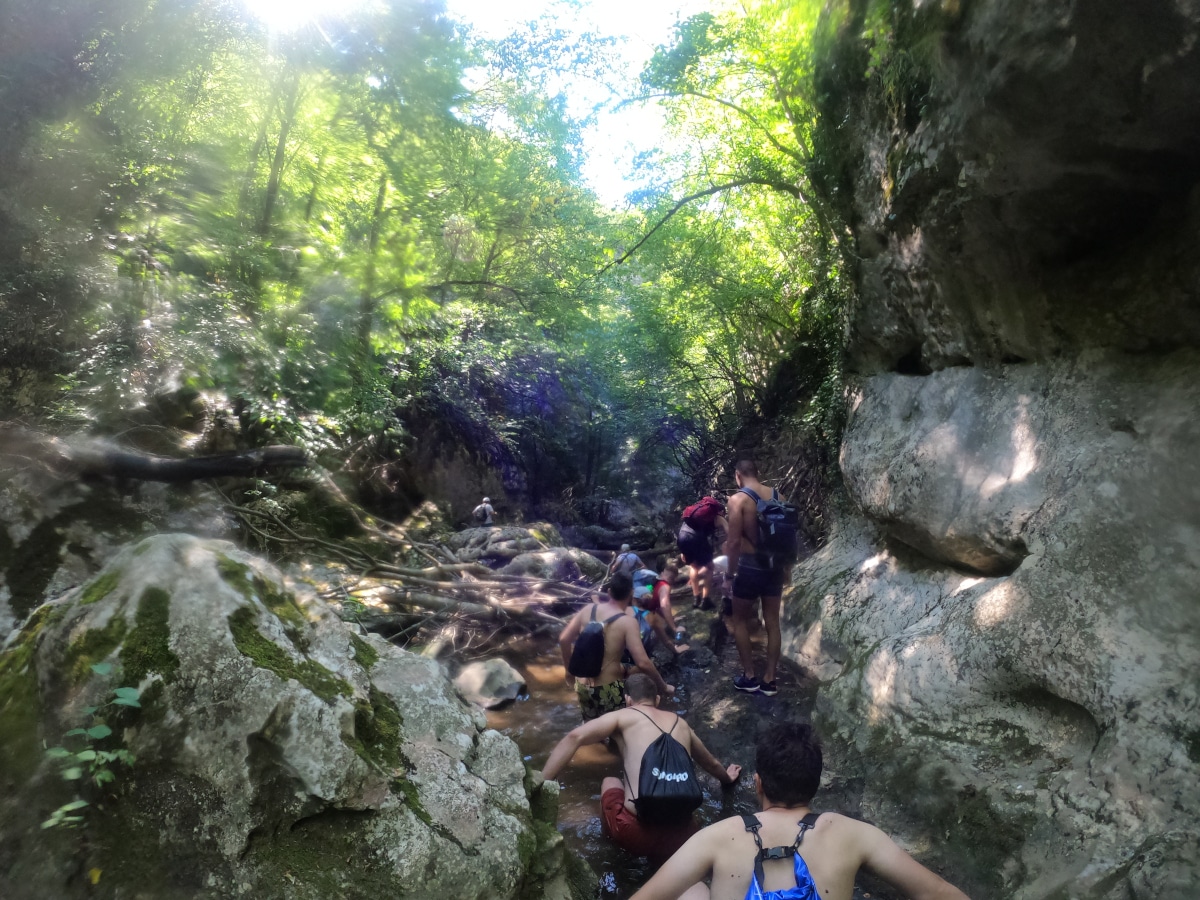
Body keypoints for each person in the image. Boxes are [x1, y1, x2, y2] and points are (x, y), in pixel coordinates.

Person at [631, 721, 971, 900]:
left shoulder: (717, 837)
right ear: (816, 784)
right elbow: (937, 892)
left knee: (693, 892)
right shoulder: (854, 834)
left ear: (758, 783)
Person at [541, 673, 741, 865]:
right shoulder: (681, 723)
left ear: (628, 699)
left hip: (634, 833)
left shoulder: (622, 717)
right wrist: (727, 778)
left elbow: (574, 737)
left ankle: (612, 848)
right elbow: (710, 764)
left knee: (610, 781)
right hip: (683, 834)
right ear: (657, 699)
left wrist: (541, 783)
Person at [559, 573, 675, 721]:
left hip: (582, 686)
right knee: (616, 734)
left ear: (609, 592)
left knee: (592, 731)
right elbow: (643, 662)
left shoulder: (588, 609)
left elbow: (564, 639)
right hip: (608, 688)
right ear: (631, 593)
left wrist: (569, 671)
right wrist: (663, 687)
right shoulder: (627, 622)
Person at [725, 460, 787, 696]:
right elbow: (786, 537)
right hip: (774, 569)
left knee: (739, 620)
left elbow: (732, 543)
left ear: (737, 476)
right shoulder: (779, 496)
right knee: (772, 622)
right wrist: (786, 569)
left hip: (749, 568)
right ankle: (770, 680)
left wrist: (729, 575)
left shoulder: (737, 500)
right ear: (758, 473)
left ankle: (749, 676)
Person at [634, 561, 688, 655]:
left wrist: (671, 618)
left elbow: (657, 605)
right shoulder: (665, 586)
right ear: (674, 579)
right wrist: (674, 628)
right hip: (644, 619)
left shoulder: (656, 582)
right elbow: (664, 605)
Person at [678, 507, 726, 611]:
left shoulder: (693, 514)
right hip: (697, 539)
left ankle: (696, 599)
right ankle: (705, 600)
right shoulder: (718, 517)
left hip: (682, 537)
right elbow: (729, 530)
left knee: (694, 566)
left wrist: (683, 551)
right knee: (709, 567)